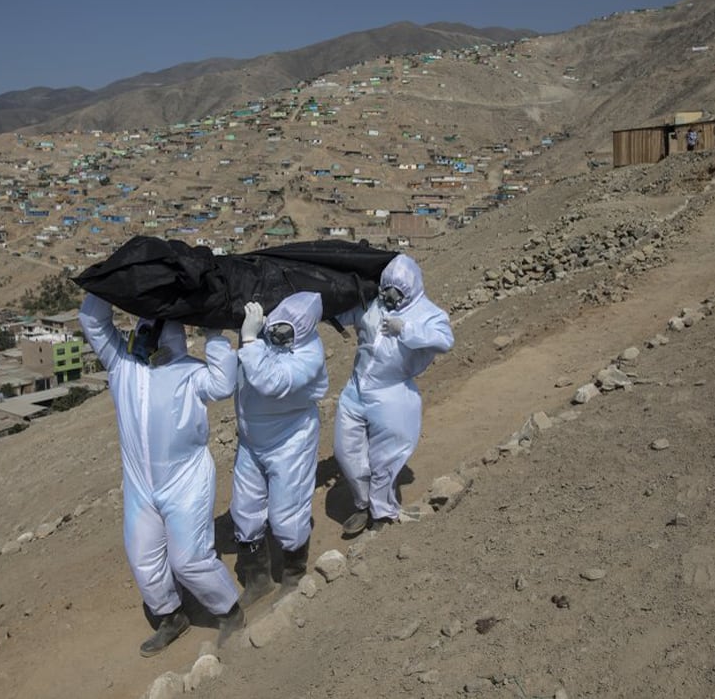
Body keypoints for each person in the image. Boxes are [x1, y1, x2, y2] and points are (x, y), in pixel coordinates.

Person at [78, 293, 244, 657]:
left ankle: (230, 611)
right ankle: (171, 615)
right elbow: (92, 321)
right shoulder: (122, 365)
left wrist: (214, 334)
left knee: (189, 560)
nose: (145, 335)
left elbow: (223, 385)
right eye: (143, 328)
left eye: (154, 329)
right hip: (140, 486)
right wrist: (106, 285)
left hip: (185, 482)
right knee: (143, 557)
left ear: (170, 336)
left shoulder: (190, 372)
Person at [333, 254, 454, 536]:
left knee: (386, 456)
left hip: (392, 392)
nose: (390, 296)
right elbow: (344, 312)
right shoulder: (372, 302)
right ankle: (363, 503)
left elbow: (445, 340)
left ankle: (383, 511)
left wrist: (407, 329)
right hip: (355, 389)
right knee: (345, 451)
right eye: (387, 289)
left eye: (397, 292)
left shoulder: (427, 313)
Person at [230, 292, 328, 607]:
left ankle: (294, 575)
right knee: (245, 511)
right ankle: (258, 580)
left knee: (286, 514)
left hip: (290, 440)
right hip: (252, 439)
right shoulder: (265, 337)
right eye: (276, 326)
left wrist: (249, 339)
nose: (277, 334)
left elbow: (270, 381)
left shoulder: (309, 355)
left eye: (287, 331)